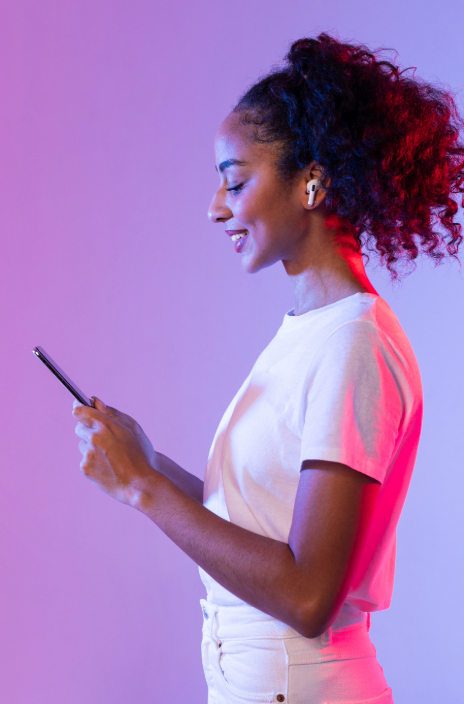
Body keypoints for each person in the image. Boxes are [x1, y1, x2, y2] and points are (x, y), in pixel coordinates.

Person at [73, 34, 464, 704]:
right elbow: (261, 530)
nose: (215, 206)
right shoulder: (309, 334)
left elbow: (308, 595)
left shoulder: (356, 346)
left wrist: (145, 490)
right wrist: (148, 462)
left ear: (311, 181)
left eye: (235, 180)